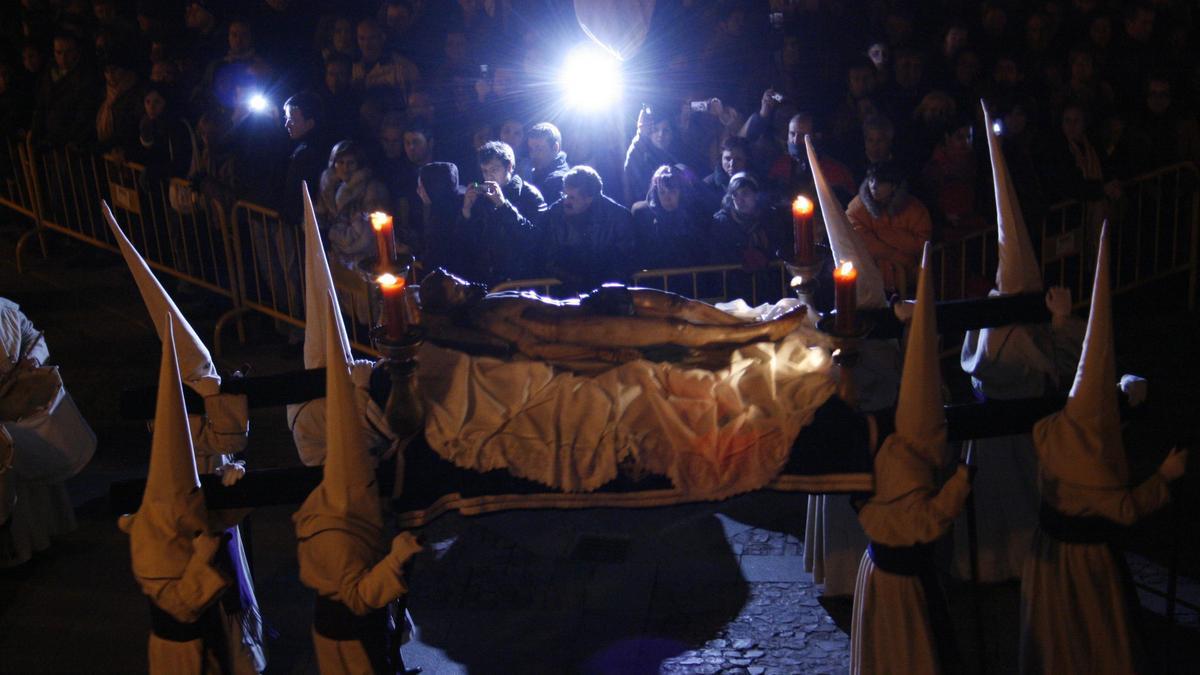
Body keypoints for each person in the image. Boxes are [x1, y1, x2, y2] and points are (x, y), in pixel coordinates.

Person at [1020, 223, 1188, 674]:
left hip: (1046, 554)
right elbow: (1126, 509)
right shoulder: (1093, 462)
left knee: (1051, 626)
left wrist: (1062, 323)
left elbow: (1075, 379)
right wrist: (1164, 477)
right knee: (1091, 629)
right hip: (1085, 563)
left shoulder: (1052, 433)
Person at [954, 104, 1086, 585]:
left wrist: (1060, 323)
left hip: (1025, 431)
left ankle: (1018, 563)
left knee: (1019, 499)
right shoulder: (996, 327)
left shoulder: (1022, 322)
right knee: (1000, 500)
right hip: (1002, 430)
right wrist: (1058, 328)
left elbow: (1066, 366)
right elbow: (1050, 365)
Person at [850, 244, 973, 675]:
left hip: (879, 571)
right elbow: (930, 520)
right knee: (908, 642)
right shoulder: (911, 476)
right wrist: (960, 483)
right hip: (903, 582)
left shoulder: (886, 455)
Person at [293, 301, 423, 675]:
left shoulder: (333, 507)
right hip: (350, 638)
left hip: (354, 628)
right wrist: (396, 558)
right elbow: (358, 596)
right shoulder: (336, 537)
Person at [0, 299, 94, 569]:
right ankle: (15, 549)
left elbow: (34, 338)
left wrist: (33, 360)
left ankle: (41, 541)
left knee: (37, 461)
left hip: (17, 408)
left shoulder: (5, 310)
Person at [457, 141, 545, 283]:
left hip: (517, 281)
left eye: (494, 169)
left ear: (509, 167)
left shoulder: (530, 195)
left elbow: (535, 239)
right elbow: (468, 243)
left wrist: (503, 205)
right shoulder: (482, 196)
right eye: (485, 171)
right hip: (484, 278)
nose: (489, 176)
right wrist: (466, 211)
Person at [539, 166, 633, 294]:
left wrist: (594, 283)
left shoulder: (619, 218)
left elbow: (625, 259)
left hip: (609, 295)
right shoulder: (553, 216)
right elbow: (547, 259)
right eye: (564, 195)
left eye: (571, 197)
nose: (565, 201)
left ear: (589, 198)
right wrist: (576, 280)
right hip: (566, 293)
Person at [847, 161, 932, 297]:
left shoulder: (914, 209)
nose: (874, 186)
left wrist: (880, 234)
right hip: (871, 283)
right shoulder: (857, 208)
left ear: (894, 186)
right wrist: (898, 256)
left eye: (880, 182)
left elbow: (922, 244)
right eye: (871, 180)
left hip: (909, 283)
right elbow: (858, 241)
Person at [318, 140, 390, 269]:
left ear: (359, 165)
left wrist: (331, 234)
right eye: (340, 162)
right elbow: (320, 218)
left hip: (365, 261)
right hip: (337, 260)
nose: (345, 168)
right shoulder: (328, 188)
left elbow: (364, 236)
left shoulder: (370, 190)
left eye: (350, 163)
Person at [630, 165, 710, 270]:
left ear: (682, 192)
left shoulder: (696, 214)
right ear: (656, 193)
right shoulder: (642, 214)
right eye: (662, 192)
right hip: (656, 274)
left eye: (672, 192)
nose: (667, 198)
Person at [31, 32, 102, 148]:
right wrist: (36, 133)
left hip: (67, 145)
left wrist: (67, 139)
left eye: (68, 52)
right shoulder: (48, 73)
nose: (63, 58)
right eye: (58, 52)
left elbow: (84, 114)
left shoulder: (86, 78)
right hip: (48, 141)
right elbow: (41, 105)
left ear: (77, 51)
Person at [282, 92, 334, 227]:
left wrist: (289, 217)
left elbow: (295, 195)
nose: (286, 124)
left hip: (305, 225)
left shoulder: (306, 155)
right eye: (286, 118)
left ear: (310, 123)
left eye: (292, 120)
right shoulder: (325, 146)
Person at [623, 105, 678, 206]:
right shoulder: (641, 155)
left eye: (666, 130)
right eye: (656, 130)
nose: (661, 134)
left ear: (672, 134)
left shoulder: (678, 158)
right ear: (649, 134)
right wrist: (640, 134)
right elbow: (630, 177)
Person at [524, 122, 570, 203]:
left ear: (555, 148)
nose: (533, 154)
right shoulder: (536, 172)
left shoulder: (557, 181)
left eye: (539, 149)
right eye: (531, 149)